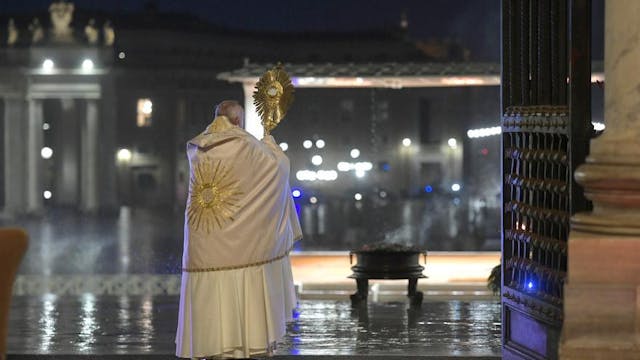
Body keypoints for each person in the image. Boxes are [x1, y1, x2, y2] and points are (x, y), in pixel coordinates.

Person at [176, 100, 302, 359]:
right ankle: (243, 345)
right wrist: (270, 144)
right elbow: (276, 169)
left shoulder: (197, 148)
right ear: (237, 121)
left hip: (203, 243)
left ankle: (209, 346)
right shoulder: (245, 144)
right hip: (241, 245)